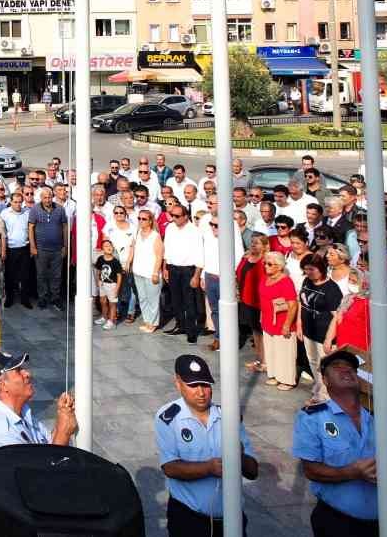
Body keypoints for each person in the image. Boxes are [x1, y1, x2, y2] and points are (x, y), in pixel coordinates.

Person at [293, 350, 387, 537]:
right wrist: (352, 472)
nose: (346, 370)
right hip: (337, 523)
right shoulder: (313, 418)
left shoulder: (380, 421)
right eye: (337, 367)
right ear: (325, 381)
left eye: (351, 368)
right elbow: (311, 470)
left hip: (380, 525)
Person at [155, 354, 259, 536]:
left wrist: (240, 457)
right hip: (189, 520)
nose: (201, 393)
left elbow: (252, 471)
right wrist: (209, 468)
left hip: (231, 520)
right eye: (193, 386)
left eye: (205, 385)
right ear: (178, 383)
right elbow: (170, 467)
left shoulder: (229, 416)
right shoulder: (169, 418)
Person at [0, 351, 76, 451]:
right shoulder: (1, 432)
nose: (27, 373)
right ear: (3, 386)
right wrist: (64, 433)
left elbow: (48, 443)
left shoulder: (22, 411)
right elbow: (46, 465)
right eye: (18, 371)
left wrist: (61, 419)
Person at [298, 255, 344, 405]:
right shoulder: (307, 281)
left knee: (324, 366)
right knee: (313, 362)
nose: (308, 272)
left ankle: (324, 396)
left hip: (323, 335)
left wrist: (329, 339)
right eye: (305, 269)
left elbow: (336, 317)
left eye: (311, 269)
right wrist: (299, 324)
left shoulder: (331, 289)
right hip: (308, 331)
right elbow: (302, 303)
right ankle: (318, 388)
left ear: (321, 269)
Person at [163, 204, 203, 343]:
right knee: (176, 300)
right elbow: (166, 249)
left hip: (188, 270)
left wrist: (196, 275)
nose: (174, 218)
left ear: (186, 216)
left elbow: (199, 254)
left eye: (177, 216)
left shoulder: (194, 231)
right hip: (173, 268)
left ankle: (191, 331)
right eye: (172, 215)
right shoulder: (170, 228)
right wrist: (165, 268)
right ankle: (180, 325)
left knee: (189, 302)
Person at [259, 252, 298, 391]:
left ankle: (287, 379)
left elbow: (293, 305)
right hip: (267, 321)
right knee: (272, 350)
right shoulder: (265, 278)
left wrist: (287, 324)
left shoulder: (286, 281)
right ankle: (275, 375)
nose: (266, 266)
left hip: (282, 323)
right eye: (265, 263)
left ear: (279, 266)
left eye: (270, 264)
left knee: (284, 352)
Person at [94, 240, 123, 329]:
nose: (109, 247)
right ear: (102, 249)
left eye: (110, 246)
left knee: (112, 304)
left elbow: (119, 276)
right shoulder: (100, 259)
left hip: (112, 285)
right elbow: (98, 271)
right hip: (103, 284)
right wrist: (98, 281)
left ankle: (111, 321)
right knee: (103, 302)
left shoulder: (115, 262)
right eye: (106, 246)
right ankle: (104, 317)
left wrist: (117, 288)